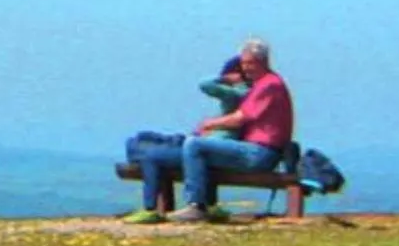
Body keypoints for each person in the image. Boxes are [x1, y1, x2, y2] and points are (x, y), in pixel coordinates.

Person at [123, 38, 293, 223]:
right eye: (243, 63)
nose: (246, 68)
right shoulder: (262, 84)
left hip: (259, 152)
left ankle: (196, 205)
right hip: (255, 149)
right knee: (196, 149)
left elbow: (240, 118)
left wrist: (210, 124)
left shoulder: (269, 84)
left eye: (250, 63)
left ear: (263, 62)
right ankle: (204, 204)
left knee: (194, 145)